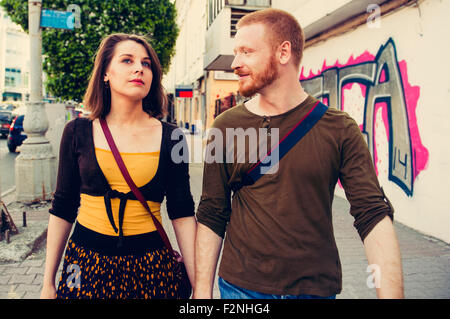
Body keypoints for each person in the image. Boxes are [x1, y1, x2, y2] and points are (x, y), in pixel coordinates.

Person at [194, 9, 403, 299]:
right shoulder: (225, 127)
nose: (236, 63)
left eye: (246, 52)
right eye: (235, 52)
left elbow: (373, 214)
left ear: (283, 53)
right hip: (241, 289)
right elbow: (212, 212)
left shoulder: (339, 128)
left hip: (314, 289)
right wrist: (201, 291)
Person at [40, 33, 197, 299]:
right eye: (127, 60)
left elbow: (181, 212)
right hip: (85, 262)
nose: (139, 68)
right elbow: (63, 207)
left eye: (146, 64)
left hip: (151, 266)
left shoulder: (172, 137)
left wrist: (200, 288)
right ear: (105, 73)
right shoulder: (78, 131)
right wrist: (47, 284)